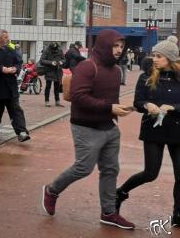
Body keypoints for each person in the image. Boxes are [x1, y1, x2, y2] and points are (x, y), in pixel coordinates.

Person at [42, 29, 135, 229]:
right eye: (115, 46)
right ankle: (52, 190)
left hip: (109, 126)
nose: (119, 50)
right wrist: (109, 107)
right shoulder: (87, 66)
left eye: (121, 46)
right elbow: (79, 97)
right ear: (103, 45)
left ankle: (108, 212)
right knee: (83, 168)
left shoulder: (116, 70)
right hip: (85, 126)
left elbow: (109, 98)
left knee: (111, 170)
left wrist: (118, 109)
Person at [116, 38, 180, 226]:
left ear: (170, 58)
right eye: (154, 55)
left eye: (159, 56)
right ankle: (120, 193)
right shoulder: (146, 76)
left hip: (177, 130)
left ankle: (178, 214)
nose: (154, 59)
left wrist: (174, 107)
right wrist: (146, 105)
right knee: (151, 173)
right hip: (153, 130)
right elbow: (138, 101)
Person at [0, 29, 30, 142]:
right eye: (5, 37)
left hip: (10, 87)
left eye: (7, 37)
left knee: (16, 110)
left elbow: (19, 62)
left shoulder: (11, 50)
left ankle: (21, 132)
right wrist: (1, 69)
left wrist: (16, 69)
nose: (8, 39)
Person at [39, 42, 66, 107]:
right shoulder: (46, 50)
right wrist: (51, 62)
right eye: (53, 46)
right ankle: (47, 101)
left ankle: (57, 101)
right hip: (49, 70)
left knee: (57, 87)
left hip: (58, 70)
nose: (55, 47)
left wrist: (61, 61)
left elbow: (64, 59)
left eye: (55, 46)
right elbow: (42, 60)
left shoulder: (59, 50)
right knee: (48, 86)